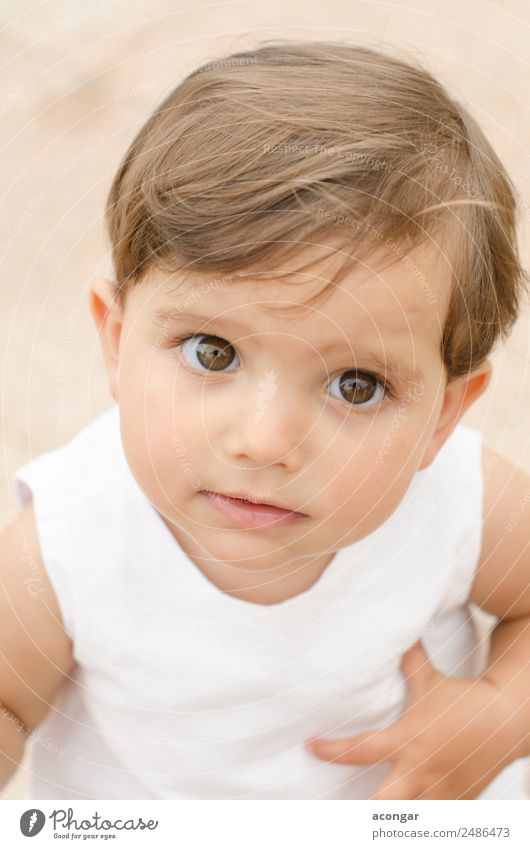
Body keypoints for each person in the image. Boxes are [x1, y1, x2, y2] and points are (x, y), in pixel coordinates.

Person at [1, 40, 529, 800]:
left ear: (443, 413)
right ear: (116, 341)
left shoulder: (459, 502)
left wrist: (502, 713)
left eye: (356, 384)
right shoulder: (67, 541)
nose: (265, 441)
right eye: (212, 353)